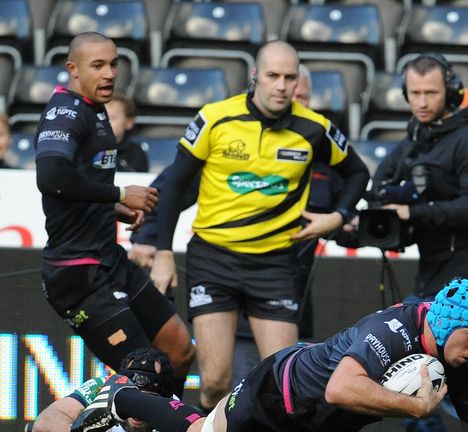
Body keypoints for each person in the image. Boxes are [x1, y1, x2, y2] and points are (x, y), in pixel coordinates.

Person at [149, 40, 370, 412]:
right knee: (217, 382)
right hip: (214, 259)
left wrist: (339, 215)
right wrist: (163, 253)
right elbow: (172, 186)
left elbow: (358, 173)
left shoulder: (314, 128)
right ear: (255, 77)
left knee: (284, 384)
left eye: (289, 77)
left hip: (276, 264)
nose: (281, 85)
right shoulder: (215, 118)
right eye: (272, 76)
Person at [127, 64, 342, 384]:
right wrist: (147, 238)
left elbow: (348, 219)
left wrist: (346, 224)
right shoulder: (232, 146)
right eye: (286, 92)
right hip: (234, 304)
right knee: (234, 395)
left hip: (289, 301)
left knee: (287, 399)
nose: (293, 102)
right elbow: (169, 191)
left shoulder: (323, 155)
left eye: (303, 97)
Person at [70, 278, 468, 432]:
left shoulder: (461, 357)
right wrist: (418, 406)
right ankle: (122, 397)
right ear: (444, 325)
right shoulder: (390, 331)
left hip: (328, 425)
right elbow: (339, 389)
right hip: (279, 395)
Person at [33, 32, 195, 398]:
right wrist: (120, 193)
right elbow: (52, 178)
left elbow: (79, 180)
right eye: (98, 65)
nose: (109, 73)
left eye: (114, 63)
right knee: (145, 374)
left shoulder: (96, 108)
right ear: (72, 69)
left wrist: (112, 207)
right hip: (77, 275)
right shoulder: (66, 113)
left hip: (110, 260)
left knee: (180, 351)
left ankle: (160, 418)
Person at [368, 53, 468, 432]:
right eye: (414, 93)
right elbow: (379, 189)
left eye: (431, 92)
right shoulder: (415, 140)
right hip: (432, 283)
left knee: (461, 395)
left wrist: (414, 213)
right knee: (414, 388)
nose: (422, 101)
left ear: (450, 92)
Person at [31, 348, 186, 432]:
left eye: (148, 398)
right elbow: (47, 420)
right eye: (134, 396)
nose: (138, 407)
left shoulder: (174, 411)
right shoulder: (101, 386)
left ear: (166, 398)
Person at [106, 92, 149, 172]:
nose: (105, 122)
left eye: (111, 118)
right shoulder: (88, 148)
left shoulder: (136, 153)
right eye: (101, 116)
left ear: (129, 122)